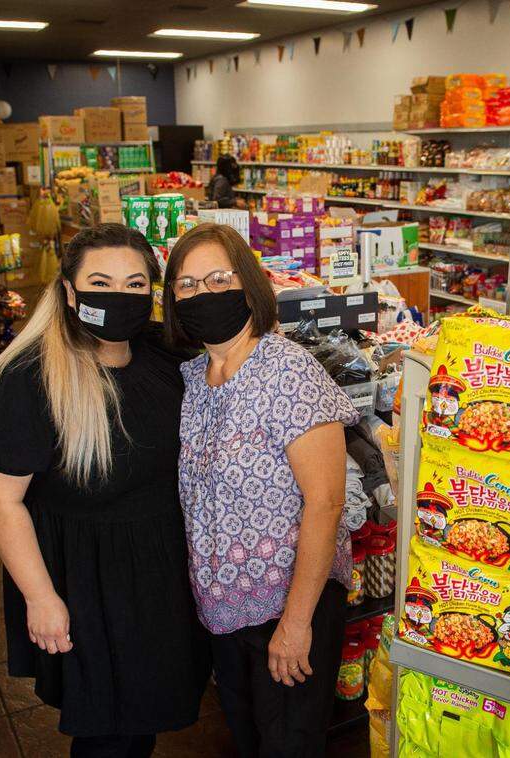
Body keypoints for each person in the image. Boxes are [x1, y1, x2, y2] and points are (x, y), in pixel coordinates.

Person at [0, 224, 209, 758]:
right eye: (100, 282)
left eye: (134, 284)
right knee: (108, 731)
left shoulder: (163, 354)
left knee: (141, 716)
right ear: (70, 292)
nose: (118, 296)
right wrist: (41, 598)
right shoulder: (29, 380)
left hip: (161, 573)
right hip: (87, 581)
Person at [163, 223, 359, 758]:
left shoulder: (288, 371)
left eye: (218, 279)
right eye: (187, 285)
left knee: (288, 745)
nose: (203, 294)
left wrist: (295, 624)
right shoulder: (194, 379)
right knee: (249, 739)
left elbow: (326, 503)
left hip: (288, 606)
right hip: (224, 613)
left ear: (248, 286)